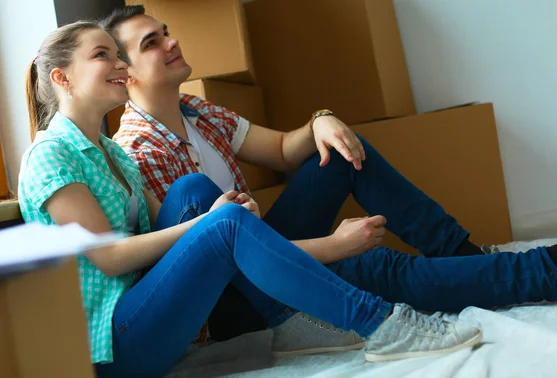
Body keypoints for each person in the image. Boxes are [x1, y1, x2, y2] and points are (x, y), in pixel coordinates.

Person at [18, 21, 483, 378]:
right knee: (217, 220)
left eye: (119, 55)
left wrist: (228, 219)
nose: (120, 65)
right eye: (103, 56)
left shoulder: (111, 152)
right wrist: (215, 226)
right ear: (62, 77)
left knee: (196, 194)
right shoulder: (50, 155)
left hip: (148, 310)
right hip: (110, 346)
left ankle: (296, 317)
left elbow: (164, 229)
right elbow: (109, 258)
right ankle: (381, 325)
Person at [103, 2, 557, 335]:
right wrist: (334, 247)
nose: (170, 42)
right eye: (151, 43)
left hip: (260, 246)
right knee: (371, 267)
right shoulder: (139, 150)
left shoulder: (196, 109)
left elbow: (279, 150)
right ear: (124, 75)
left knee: (340, 150)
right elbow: (224, 256)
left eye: (166, 32)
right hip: (231, 297)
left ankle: (461, 254)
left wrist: (321, 121)